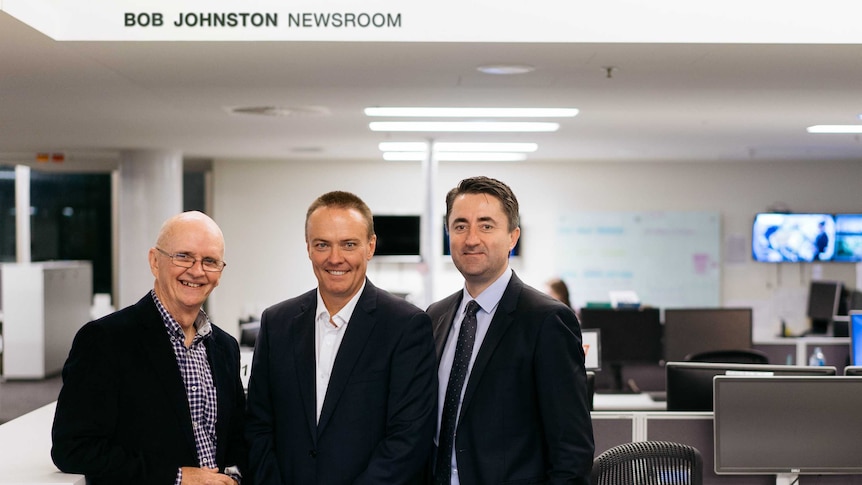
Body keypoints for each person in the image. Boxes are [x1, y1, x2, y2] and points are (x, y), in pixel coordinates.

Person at [244, 190, 437, 484]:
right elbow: (258, 426)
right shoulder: (276, 323)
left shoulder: (406, 326)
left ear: (370, 246)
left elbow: (408, 439)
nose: (335, 258)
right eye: (322, 244)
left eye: (349, 244)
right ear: (308, 247)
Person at [51, 211, 246, 485]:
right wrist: (177, 477)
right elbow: (72, 448)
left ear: (220, 272)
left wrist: (235, 477)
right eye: (184, 256)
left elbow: (237, 439)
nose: (197, 270)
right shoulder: (104, 340)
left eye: (210, 261)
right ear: (155, 261)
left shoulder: (225, 347)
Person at [428, 176, 594, 485]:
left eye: (486, 226)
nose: (471, 238)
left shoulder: (547, 321)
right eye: (460, 225)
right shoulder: (435, 317)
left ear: (512, 237)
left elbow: (572, 450)